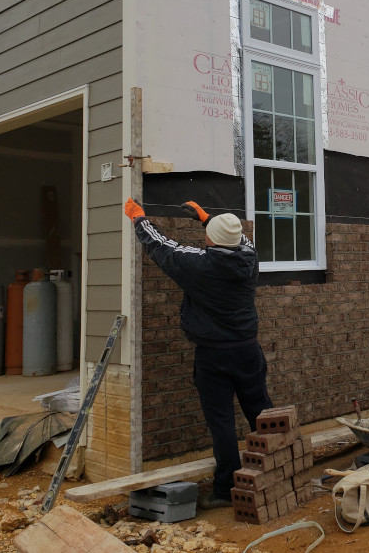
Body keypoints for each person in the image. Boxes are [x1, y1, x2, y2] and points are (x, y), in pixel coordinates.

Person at [124, 197, 273, 510]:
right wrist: (207, 219)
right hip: (248, 350)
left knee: (221, 422)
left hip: (214, 355)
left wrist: (139, 218)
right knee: (262, 414)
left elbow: (162, 247)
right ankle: (275, 469)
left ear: (211, 240)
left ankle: (225, 489)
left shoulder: (200, 265)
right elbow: (241, 239)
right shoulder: (250, 256)